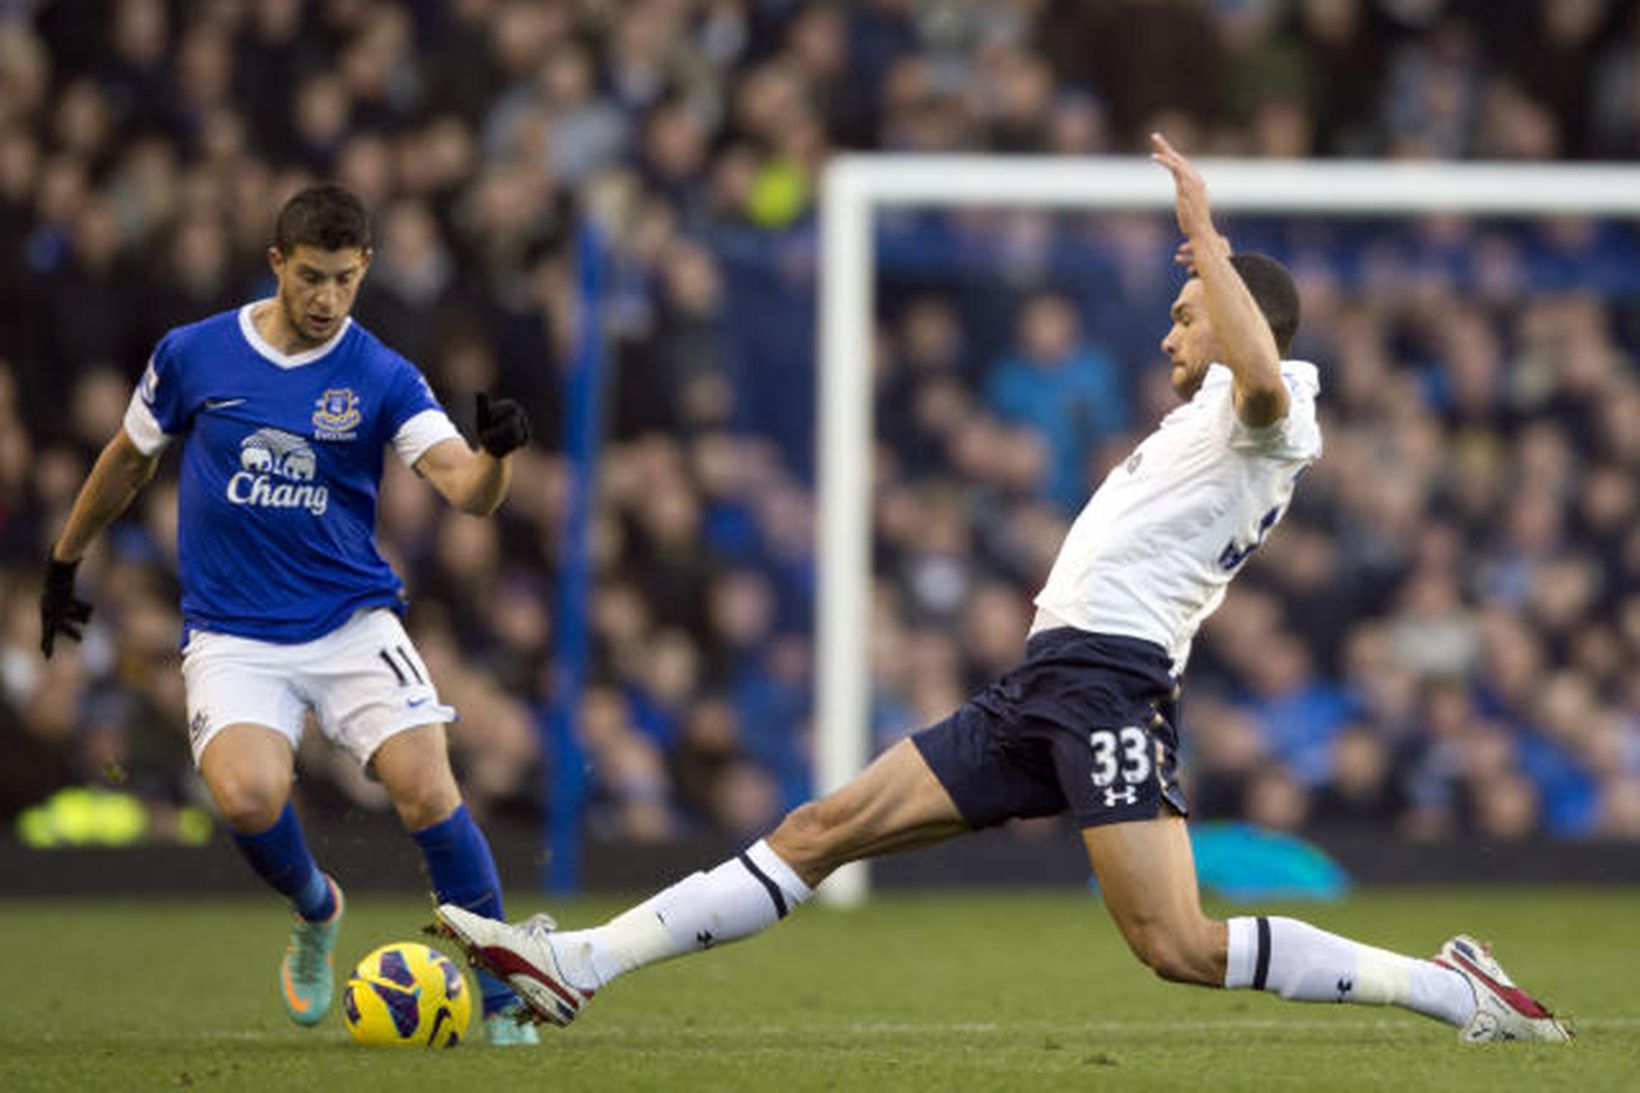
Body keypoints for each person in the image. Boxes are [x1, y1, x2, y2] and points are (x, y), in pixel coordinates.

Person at [435, 136, 1571, 1043]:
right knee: (821, 826)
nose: (1166, 327)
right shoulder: (1204, 422)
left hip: (1108, 688)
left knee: (1174, 943)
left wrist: (1202, 238)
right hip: (1043, 684)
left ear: (1235, 323)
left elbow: (1261, 378)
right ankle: (578, 961)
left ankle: (1448, 987)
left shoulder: (1270, 416)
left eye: (1184, 314)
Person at [39, 183, 543, 1045]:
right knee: (246, 795)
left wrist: (495, 454)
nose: (327, 299)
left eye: (345, 280)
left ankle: (504, 996)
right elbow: (128, 460)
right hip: (232, 633)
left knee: (427, 787)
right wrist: (64, 560)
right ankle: (317, 908)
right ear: (277, 263)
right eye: (311, 277)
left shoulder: (381, 373)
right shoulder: (194, 354)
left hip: (351, 620)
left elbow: (467, 491)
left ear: (366, 270)